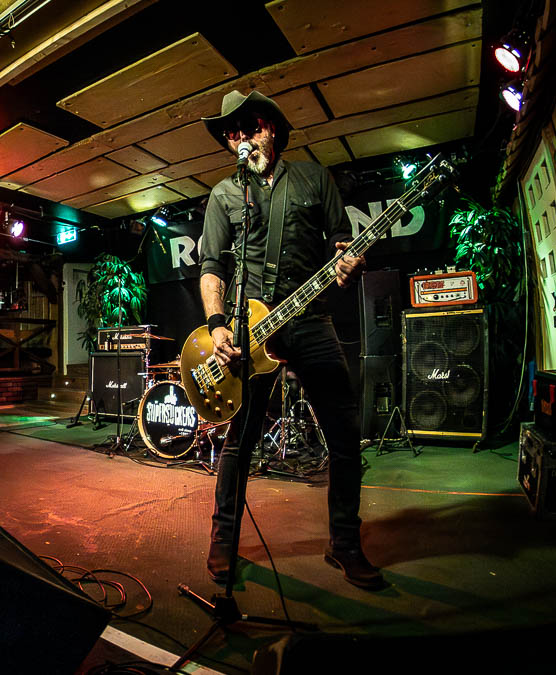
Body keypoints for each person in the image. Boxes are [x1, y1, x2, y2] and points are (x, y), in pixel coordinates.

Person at [197, 90, 382, 589]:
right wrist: (218, 324)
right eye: (232, 133)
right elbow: (211, 265)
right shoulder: (223, 194)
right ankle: (223, 539)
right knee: (239, 441)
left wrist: (347, 262)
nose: (241, 138)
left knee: (344, 435)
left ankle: (344, 543)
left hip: (310, 319)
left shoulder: (314, 178)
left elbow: (342, 243)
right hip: (249, 328)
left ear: (271, 128)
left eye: (250, 127)